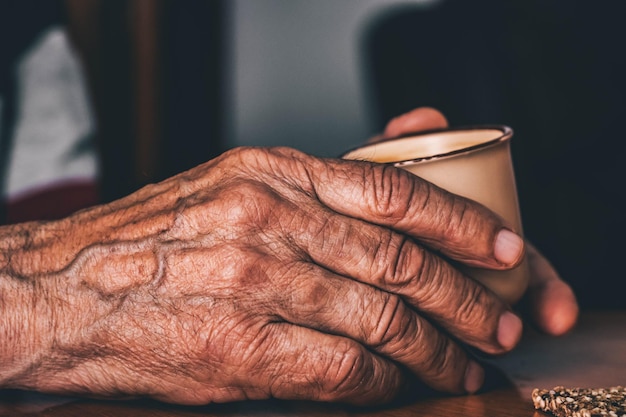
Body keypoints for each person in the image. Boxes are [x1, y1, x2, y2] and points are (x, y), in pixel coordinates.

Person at [0, 2, 578, 408]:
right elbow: (63, 262)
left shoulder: (33, 43)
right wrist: (54, 293)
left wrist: (337, 239)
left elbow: (55, 213)